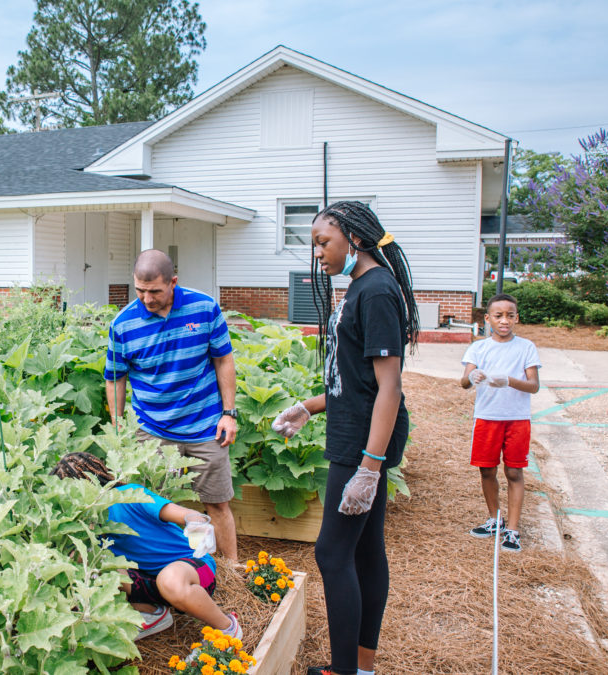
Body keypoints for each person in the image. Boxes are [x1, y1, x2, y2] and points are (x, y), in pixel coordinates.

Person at [271, 201, 419, 675]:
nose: (317, 254)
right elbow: (354, 381)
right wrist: (308, 407)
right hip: (353, 432)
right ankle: (362, 667)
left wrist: (369, 469)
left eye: (322, 242)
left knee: (331, 553)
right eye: (314, 244)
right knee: (364, 550)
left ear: (354, 238)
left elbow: (389, 388)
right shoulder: (360, 287)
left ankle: (343, 672)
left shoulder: (375, 291)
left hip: (361, 445)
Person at [104, 249, 240, 562]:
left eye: (154, 291)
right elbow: (115, 379)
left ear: (173, 282)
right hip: (151, 430)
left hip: (205, 426)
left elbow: (223, 359)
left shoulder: (204, 308)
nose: (146, 299)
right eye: (139, 290)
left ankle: (232, 572)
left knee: (218, 503)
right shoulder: (123, 325)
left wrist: (229, 414)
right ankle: (170, 568)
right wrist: (119, 429)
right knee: (156, 506)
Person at [51, 452, 242, 641]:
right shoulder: (85, 524)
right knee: (87, 560)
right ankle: (153, 614)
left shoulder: (130, 496)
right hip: (152, 581)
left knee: (169, 580)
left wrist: (198, 525)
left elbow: (186, 514)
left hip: (193, 569)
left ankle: (227, 628)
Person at [459, 292, 541, 552]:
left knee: (514, 472)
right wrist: (473, 377)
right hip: (487, 418)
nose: (504, 320)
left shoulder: (526, 347)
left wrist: (509, 380)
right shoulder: (478, 348)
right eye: (498, 315)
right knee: (487, 470)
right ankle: (495, 519)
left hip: (516, 420)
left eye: (509, 315)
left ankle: (513, 530)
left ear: (517, 318)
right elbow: (463, 382)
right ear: (487, 319)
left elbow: (534, 386)